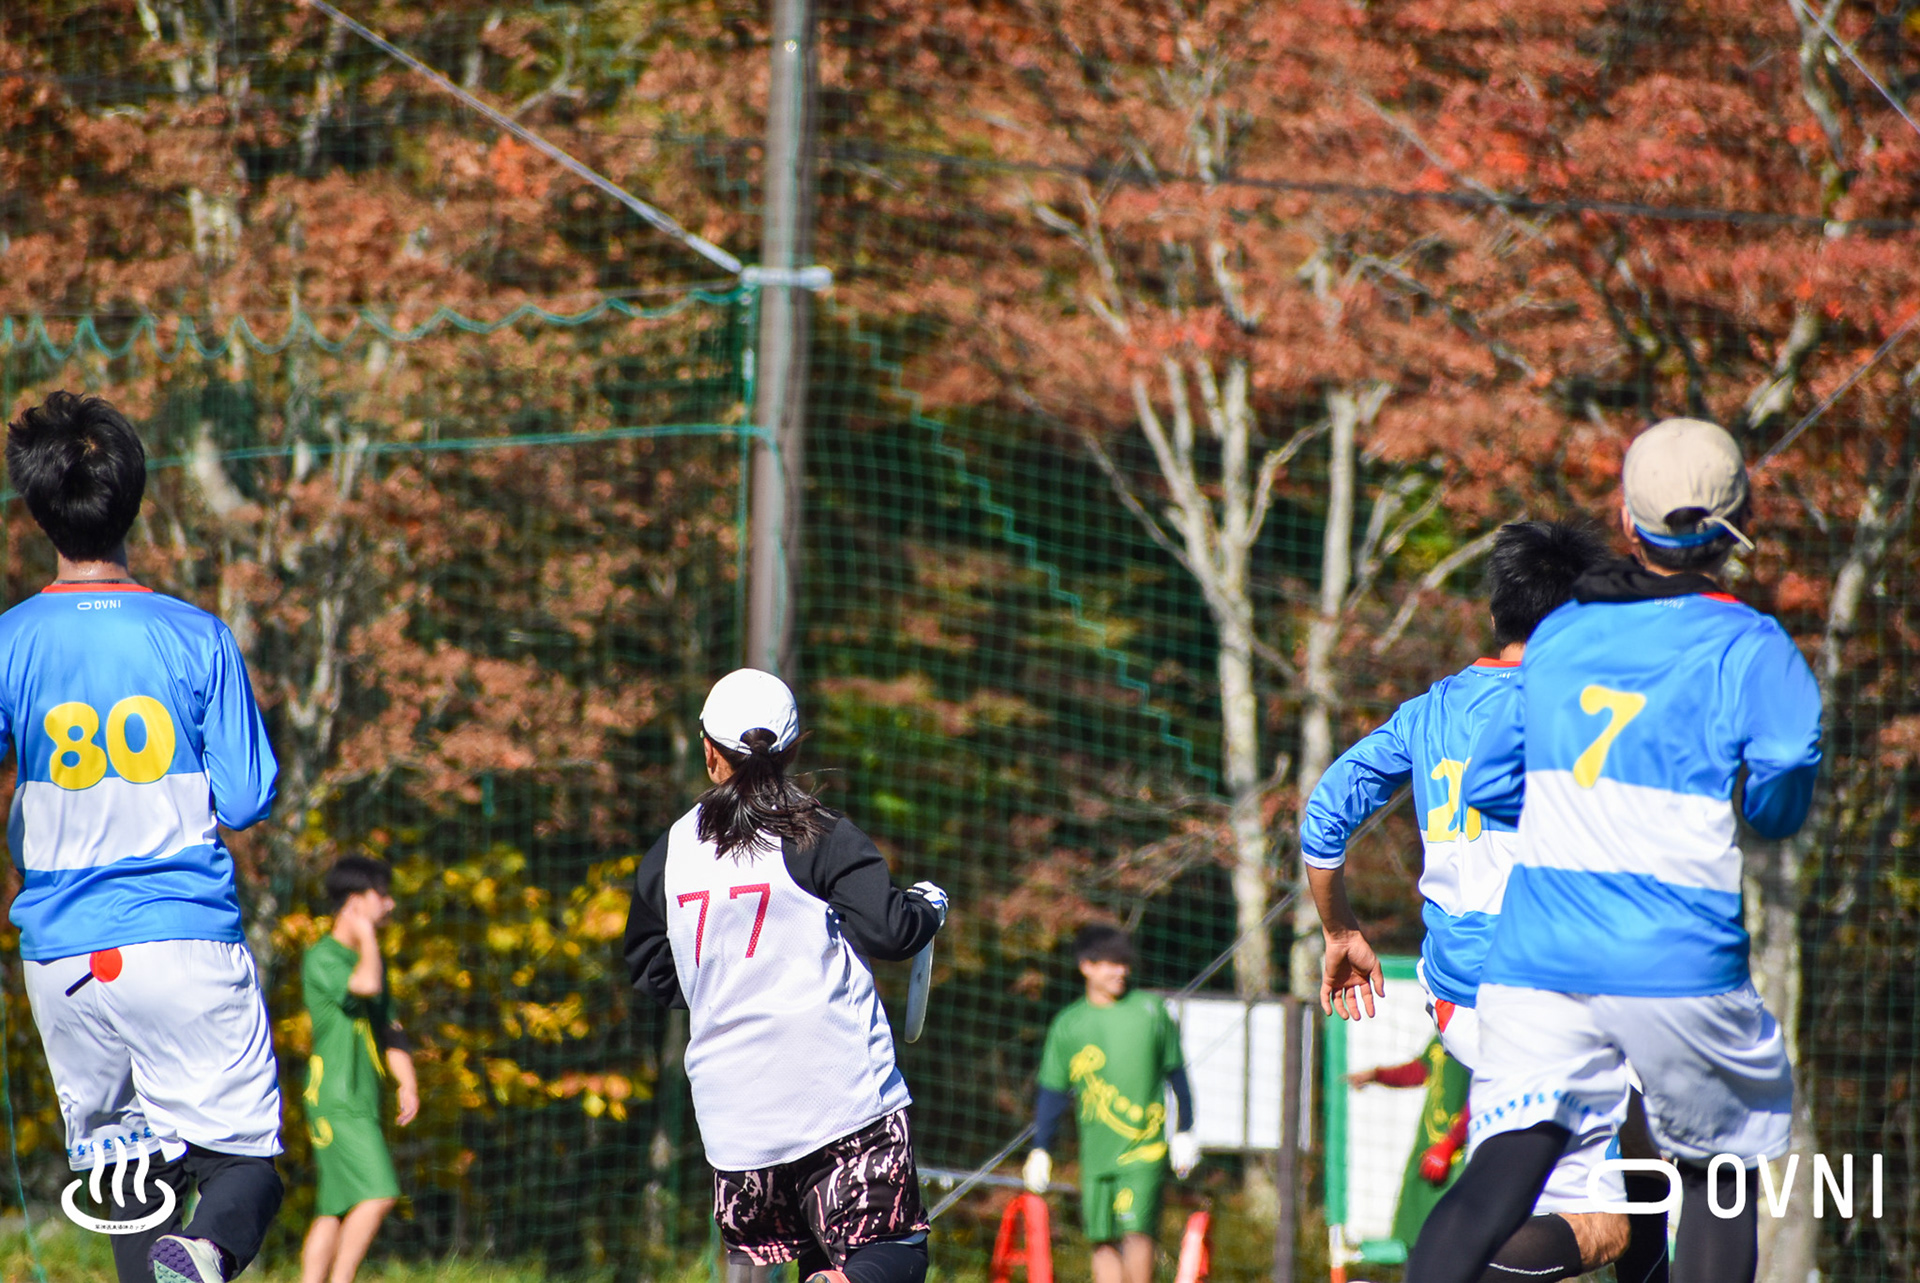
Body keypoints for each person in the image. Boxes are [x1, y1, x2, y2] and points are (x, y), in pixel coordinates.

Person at [1404, 419, 1822, 1283]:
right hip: (1673, 949)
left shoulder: (1559, 635)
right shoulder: (1754, 646)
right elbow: (1783, 785)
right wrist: (1757, 806)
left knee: (1500, 1178)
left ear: (1628, 523)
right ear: (1740, 524)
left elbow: (1489, 782)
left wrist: (1566, 813)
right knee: (1715, 1174)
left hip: (1541, 952)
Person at [1301, 519, 1671, 1283]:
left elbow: (1324, 815)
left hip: (1458, 1004)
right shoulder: (1579, 710)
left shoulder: (1429, 712)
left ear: (1497, 609)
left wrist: (1339, 929)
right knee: (1608, 1224)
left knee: (1643, 1153)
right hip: (1548, 1000)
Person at [0, 392, 282, 1283]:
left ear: (37, 508)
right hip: (178, 937)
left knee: (131, 1178)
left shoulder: (9, 640)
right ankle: (205, 1251)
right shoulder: (196, 635)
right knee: (244, 1163)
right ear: (134, 498)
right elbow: (248, 798)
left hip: (60, 959)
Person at [623, 668, 949, 1283]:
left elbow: (649, 966)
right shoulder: (817, 831)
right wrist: (928, 907)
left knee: (819, 1259)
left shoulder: (669, 851)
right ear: (794, 750)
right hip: (839, 1098)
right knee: (894, 1249)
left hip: (734, 1126)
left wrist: (723, 985)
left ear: (709, 751)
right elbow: (890, 932)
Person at [1023, 924, 1197, 1283]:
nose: (1121, 971)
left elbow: (1177, 1075)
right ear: (1086, 966)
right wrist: (1041, 1149)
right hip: (1096, 1156)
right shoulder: (1068, 1024)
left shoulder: (1151, 1011)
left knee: (1137, 1234)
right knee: (1101, 1241)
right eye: (1111, 963)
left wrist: (1185, 1130)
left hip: (1144, 1151)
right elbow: (1053, 1093)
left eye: (1124, 963)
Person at [300, 857, 420, 1283]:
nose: (389, 904)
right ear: (354, 902)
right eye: (381, 895)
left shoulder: (368, 959)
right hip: (335, 1098)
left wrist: (407, 1082)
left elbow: (390, 1028)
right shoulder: (324, 956)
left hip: (361, 1097)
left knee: (333, 1207)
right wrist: (367, 935)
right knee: (379, 1193)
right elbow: (366, 986)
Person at [1347, 1036, 1471, 1247]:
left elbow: (1488, 1095)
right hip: (1429, 1152)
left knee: (1453, 1241)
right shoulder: (1443, 1030)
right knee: (1416, 1240)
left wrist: (1451, 1143)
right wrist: (1378, 1075)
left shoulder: (1481, 1031)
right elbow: (1422, 1070)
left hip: (1459, 1160)